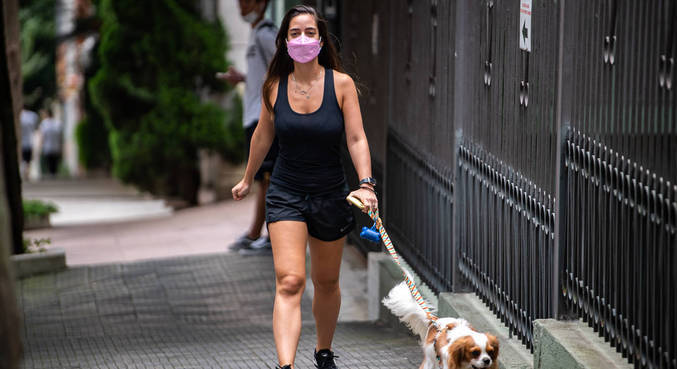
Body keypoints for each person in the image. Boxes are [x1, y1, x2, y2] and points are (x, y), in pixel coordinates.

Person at [231, 5, 378, 369]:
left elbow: (357, 138)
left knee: (326, 281)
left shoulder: (341, 84)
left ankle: (323, 352)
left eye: (310, 32)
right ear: (283, 42)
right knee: (291, 281)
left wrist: (366, 185)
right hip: (286, 194)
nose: (302, 39)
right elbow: (263, 137)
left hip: (330, 193)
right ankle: (286, 365)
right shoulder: (274, 87)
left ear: (321, 39)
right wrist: (248, 178)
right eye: (294, 33)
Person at [220, 0, 279, 255]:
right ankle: (257, 233)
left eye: (247, 1)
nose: (241, 7)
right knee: (263, 179)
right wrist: (242, 78)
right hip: (253, 114)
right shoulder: (257, 33)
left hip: (263, 117)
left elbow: (283, 67)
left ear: (262, 3)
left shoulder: (267, 33)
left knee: (267, 179)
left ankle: (265, 235)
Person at [39, 108, 62, 177]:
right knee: (54, 161)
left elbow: (42, 136)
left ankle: (51, 173)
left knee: (49, 161)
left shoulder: (44, 123)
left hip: (47, 146)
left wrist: (41, 145)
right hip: (56, 146)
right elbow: (60, 136)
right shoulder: (58, 123)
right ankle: (54, 173)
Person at [20, 107, 39, 180]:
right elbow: (34, 128)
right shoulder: (32, 116)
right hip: (29, 142)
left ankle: (25, 173)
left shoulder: (21, 116)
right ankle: (27, 174)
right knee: (28, 160)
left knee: (24, 159)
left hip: (24, 142)